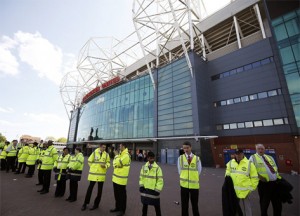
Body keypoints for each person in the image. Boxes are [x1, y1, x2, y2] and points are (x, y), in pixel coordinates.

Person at [249, 144, 282, 216]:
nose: (261, 150)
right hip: (264, 184)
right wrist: (259, 177)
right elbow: (251, 170)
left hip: (275, 183)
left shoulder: (270, 157)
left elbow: (275, 168)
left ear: (264, 150)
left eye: (262, 149)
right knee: (264, 203)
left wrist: (278, 178)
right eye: (259, 149)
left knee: (277, 203)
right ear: (256, 150)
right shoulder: (253, 157)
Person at [225, 149, 259, 216]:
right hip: (233, 190)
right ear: (235, 154)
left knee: (247, 208)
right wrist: (228, 182)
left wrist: (251, 188)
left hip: (245, 191)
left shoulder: (249, 164)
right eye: (237, 154)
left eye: (240, 154)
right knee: (235, 207)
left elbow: (254, 177)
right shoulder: (230, 163)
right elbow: (227, 173)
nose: (238, 155)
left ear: (243, 154)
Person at [81, 144, 110, 211]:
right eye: (103, 147)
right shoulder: (94, 153)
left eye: (105, 147)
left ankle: (96, 204)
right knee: (89, 189)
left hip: (101, 175)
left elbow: (108, 163)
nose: (104, 148)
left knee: (99, 191)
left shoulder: (106, 155)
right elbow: (89, 161)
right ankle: (85, 203)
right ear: (99, 147)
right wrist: (93, 168)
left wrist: (105, 166)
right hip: (93, 175)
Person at [177, 141, 202, 216]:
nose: (186, 150)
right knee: (184, 206)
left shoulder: (197, 159)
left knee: (195, 205)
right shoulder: (180, 158)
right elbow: (179, 171)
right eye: (184, 148)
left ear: (191, 147)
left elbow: (199, 171)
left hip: (194, 186)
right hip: (184, 186)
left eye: (187, 148)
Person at [139, 152, 163, 216]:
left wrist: (157, 190)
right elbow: (141, 177)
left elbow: (160, 180)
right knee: (144, 206)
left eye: (153, 158)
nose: (152, 160)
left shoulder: (158, 168)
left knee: (157, 206)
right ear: (147, 158)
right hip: (145, 190)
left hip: (154, 191)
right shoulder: (144, 167)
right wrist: (141, 186)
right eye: (150, 158)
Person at [110, 143, 131, 216]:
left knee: (122, 196)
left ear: (124, 146)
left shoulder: (126, 155)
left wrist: (116, 156)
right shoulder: (120, 154)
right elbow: (114, 164)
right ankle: (117, 207)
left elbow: (118, 163)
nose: (119, 147)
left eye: (120, 146)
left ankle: (122, 210)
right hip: (115, 178)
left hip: (121, 179)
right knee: (116, 195)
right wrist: (116, 161)